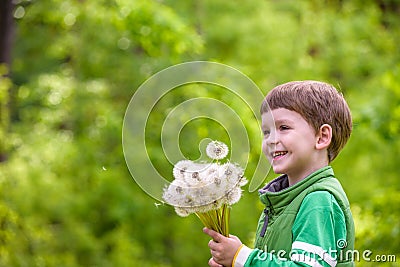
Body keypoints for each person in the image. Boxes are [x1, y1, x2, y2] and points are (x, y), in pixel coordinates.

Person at [203, 80, 355, 267]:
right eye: (266, 132)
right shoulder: (280, 201)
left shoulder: (318, 200)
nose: (271, 140)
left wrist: (242, 258)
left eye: (284, 128)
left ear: (322, 137)